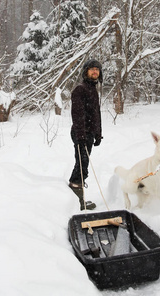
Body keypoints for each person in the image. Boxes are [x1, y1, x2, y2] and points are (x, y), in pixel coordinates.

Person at [68, 59, 103, 210]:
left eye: (97, 69)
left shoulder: (92, 89)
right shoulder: (80, 90)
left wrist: (98, 133)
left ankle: (77, 200)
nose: (95, 72)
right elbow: (77, 116)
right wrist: (81, 137)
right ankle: (77, 201)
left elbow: (96, 114)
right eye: (92, 69)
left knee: (83, 164)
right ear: (85, 72)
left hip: (89, 134)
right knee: (82, 165)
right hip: (80, 133)